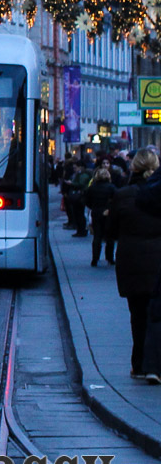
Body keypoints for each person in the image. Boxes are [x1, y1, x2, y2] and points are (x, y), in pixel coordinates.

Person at [106, 148, 161, 383]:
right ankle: (152, 364)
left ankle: (138, 364)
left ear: (133, 167)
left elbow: (111, 230)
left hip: (130, 262)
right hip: (157, 260)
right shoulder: (156, 193)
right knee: (155, 313)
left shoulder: (123, 194)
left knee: (137, 315)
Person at [82, 167, 118, 267]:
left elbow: (87, 201)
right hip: (108, 212)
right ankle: (110, 258)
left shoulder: (92, 187)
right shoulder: (112, 187)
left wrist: (93, 206)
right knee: (109, 237)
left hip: (96, 212)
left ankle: (95, 258)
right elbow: (117, 200)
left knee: (97, 236)